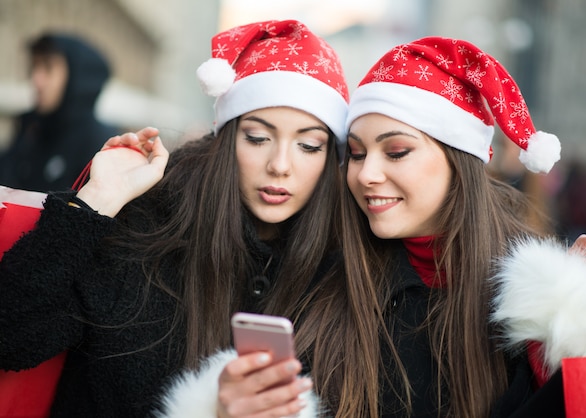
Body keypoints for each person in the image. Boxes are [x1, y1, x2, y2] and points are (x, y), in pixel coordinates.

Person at [157, 37, 586, 418]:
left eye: (396, 151)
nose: (365, 174)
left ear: (458, 161)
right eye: (357, 153)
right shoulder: (317, 283)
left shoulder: (538, 307)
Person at [0, 20, 350, 417]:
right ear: (226, 138)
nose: (280, 165)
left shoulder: (342, 270)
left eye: (309, 145)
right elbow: (11, 335)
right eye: (257, 137)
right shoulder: (146, 229)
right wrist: (96, 201)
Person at [0, 32, 119, 192]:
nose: (36, 79)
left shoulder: (100, 144)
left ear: (77, 78)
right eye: (35, 67)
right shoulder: (30, 128)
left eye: (48, 69)